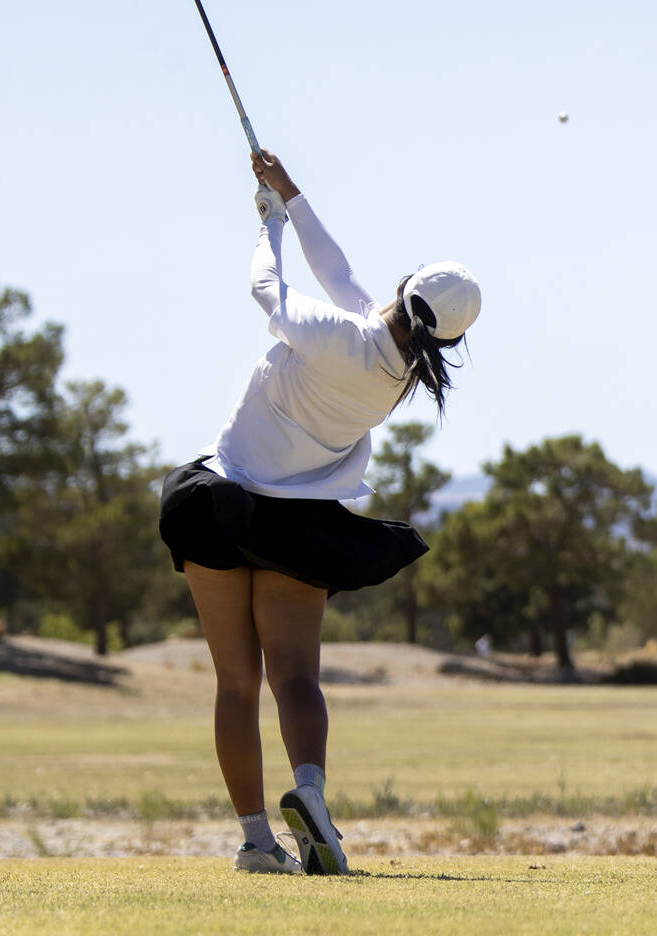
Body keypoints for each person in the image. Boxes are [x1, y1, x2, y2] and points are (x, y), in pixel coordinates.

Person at [159, 150, 481, 876]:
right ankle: (309, 793)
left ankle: (254, 842)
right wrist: (293, 195)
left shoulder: (344, 335)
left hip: (220, 500)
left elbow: (267, 292)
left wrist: (268, 226)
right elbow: (339, 276)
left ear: (403, 292)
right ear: (447, 338)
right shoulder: (399, 370)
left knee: (234, 683)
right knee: (296, 679)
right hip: (298, 528)